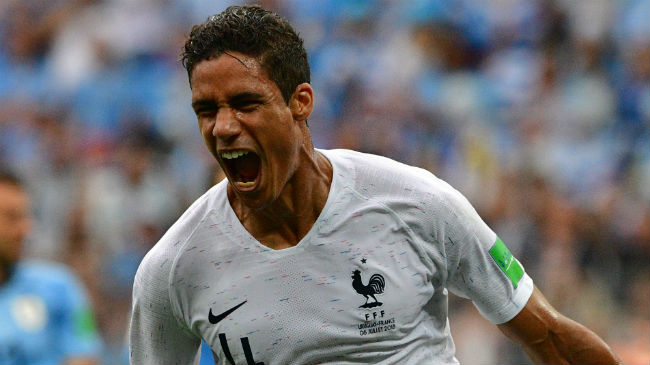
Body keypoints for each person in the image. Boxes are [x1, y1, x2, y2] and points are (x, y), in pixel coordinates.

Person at [129, 5, 620, 365]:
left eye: (245, 103)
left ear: (300, 101)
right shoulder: (173, 269)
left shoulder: (417, 203)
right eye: (206, 111)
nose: (223, 127)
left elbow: (549, 338)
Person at [0, 169, 102, 364]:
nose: (25, 229)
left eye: (25, 216)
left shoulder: (63, 286)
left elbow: (86, 354)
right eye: (12, 218)